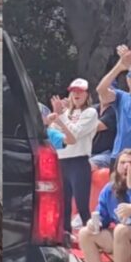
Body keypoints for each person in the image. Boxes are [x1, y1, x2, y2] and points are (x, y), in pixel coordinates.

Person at [50, 78, 99, 233]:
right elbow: (54, 133)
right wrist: (59, 116)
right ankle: (65, 236)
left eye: (80, 91)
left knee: (82, 204)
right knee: (63, 204)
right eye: (73, 91)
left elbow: (76, 133)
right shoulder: (66, 113)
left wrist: (61, 116)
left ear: (86, 94)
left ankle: (92, 236)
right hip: (62, 161)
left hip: (79, 161)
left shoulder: (90, 112)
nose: (76, 94)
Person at [89, 97, 118, 170]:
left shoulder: (115, 110)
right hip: (88, 153)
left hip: (108, 153)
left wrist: (77, 120)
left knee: (86, 165)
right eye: (102, 91)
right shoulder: (93, 108)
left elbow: (96, 127)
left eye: (108, 92)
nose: (104, 94)